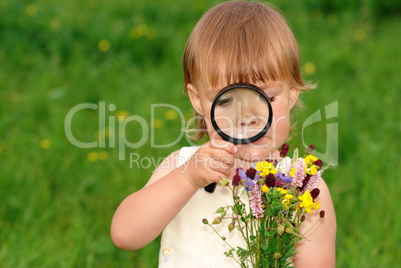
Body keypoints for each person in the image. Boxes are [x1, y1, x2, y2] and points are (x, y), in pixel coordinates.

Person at [111, 1, 336, 267]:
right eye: (227, 101)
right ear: (198, 101)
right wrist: (187, 180)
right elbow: (125, 235)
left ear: (291, 95)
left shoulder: (304, 189)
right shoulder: (182, 166)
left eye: (268, 97)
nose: (248, 117)